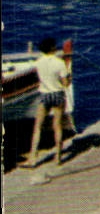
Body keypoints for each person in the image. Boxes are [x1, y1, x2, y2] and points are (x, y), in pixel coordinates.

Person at [26, 38, 72, 169]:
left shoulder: (38, 62)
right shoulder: (60, 63)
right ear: (53, 48)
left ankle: (32, 159)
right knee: (57, 125)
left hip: (45, 94)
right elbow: (65, 84)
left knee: (38, 126)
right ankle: (58, 157)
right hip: (57, 94)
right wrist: (69, 79)